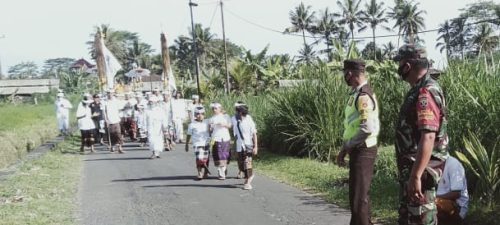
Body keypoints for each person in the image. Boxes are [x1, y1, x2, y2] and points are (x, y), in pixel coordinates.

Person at [394, 44, 449, 225]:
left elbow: (429, 136)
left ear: (407, 66)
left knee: (420, 217)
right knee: (410, 218)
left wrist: (416, 176)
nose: (399, 67)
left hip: (423, 172)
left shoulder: (426, 91)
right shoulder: (418, 89)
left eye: (400, 63)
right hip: (413, 169)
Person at [336, 59, 380, 225]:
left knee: (358, 199)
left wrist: (347, 146)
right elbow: (353, 126)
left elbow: (366, 128)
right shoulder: (356, 94)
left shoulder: (363, 96)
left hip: (363, 150)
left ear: (350, 74)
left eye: (345, 74)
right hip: (358, 149)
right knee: (359, 197)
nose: (344, 78)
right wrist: (345, 149)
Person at [232, 102, 258, 190]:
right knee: (240, 164)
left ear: (240, 113)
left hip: (248, 145)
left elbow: (254, 133)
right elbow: (234, 133)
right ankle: (249, 176)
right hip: (239, 145)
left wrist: (255, 147)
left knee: (247, 163)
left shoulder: (249, 120)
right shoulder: (235, 120)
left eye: (237, 112)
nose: (235, 113)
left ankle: (248, 181)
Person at [435, 156, 469, 225]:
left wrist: (434, 198)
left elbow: (456, 194)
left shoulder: (453, 164)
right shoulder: (432, 163)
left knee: (430, 206)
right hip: (439, 200)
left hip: (457, 206)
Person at [185, 106, 211, 180]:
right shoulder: (192, 124)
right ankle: (199, 172)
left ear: (204, 114)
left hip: (206, 143)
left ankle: (205, 172)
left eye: (202, 114)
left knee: (206, 158)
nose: (200, 115)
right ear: (195, 115)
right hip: (197, 144)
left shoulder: (207, 121)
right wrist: (186, 144)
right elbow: (188, 135)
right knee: (199, 158)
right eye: (198, 114)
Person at [208, 102, 232, 180]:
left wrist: (223, 124)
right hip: (215, 139)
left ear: (220, 109)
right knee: (217, 155)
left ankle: (222, 171)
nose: (214, 110)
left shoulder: (226, 116)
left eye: (216, 108)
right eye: (213, 109)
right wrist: (211, 127)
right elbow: (210, 130)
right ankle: (220, 170)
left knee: (224, 155)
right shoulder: (211, 118)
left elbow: (230, 125)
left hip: (224, 138)